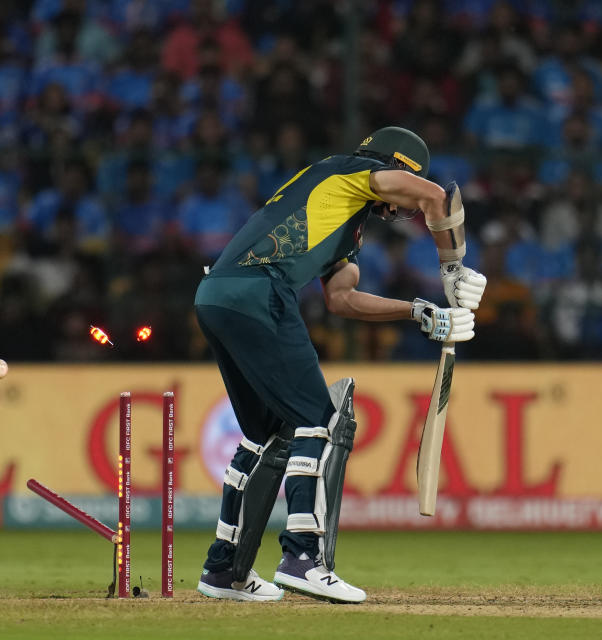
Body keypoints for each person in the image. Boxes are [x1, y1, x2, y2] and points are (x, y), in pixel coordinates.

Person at [193, 127, 487, 603]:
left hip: (217, 297)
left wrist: (421, 312)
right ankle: (304, 558)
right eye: (402, 197)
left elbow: (342, 298)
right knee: (324, 422)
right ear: (395, 167)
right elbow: (438, 197)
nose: (403, 211)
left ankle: (225, 570)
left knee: (269, 435)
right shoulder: (351, 172)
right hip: (259, 292)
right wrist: (453, 268)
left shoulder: (343, 218)